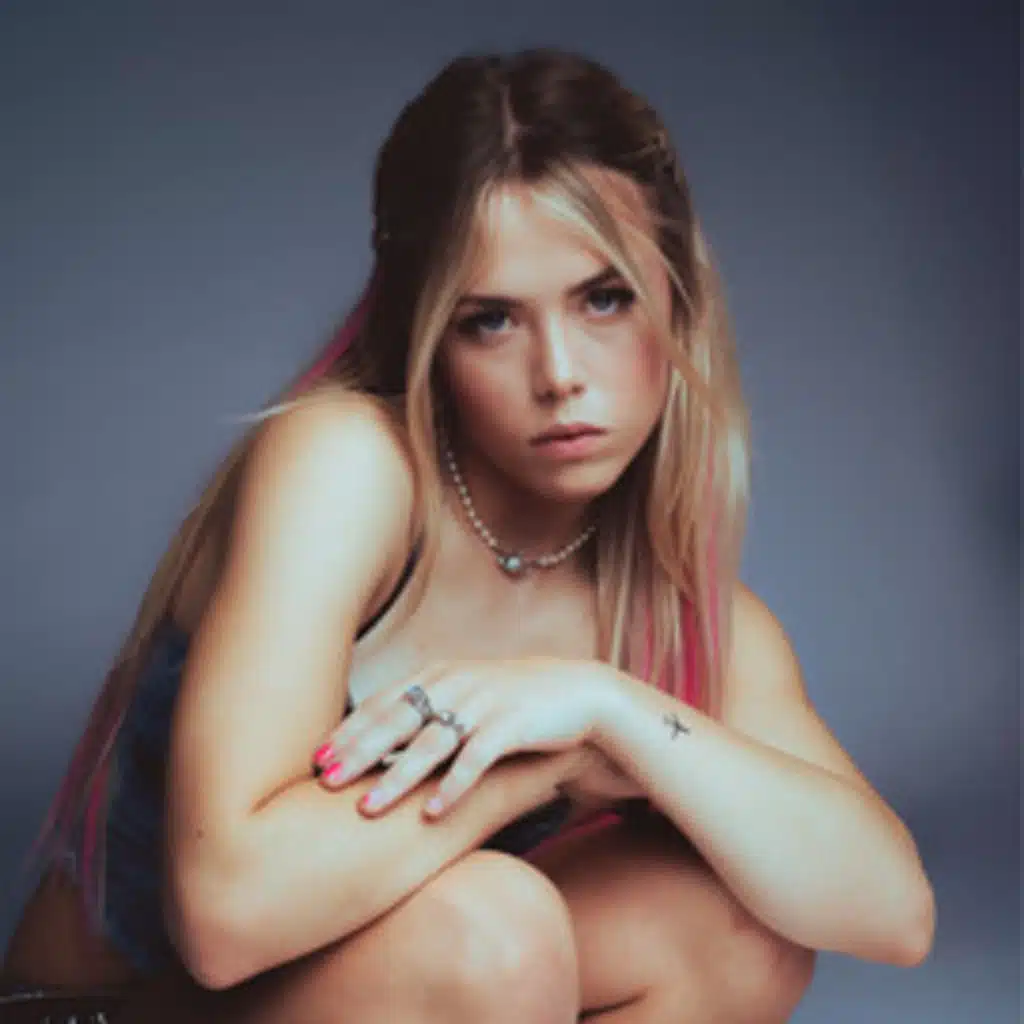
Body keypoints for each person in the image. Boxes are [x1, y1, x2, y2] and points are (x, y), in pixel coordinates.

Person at [1, 47, 935, 1024]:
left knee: (739, 930)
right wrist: (545, 758)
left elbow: (892, 913)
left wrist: (603, 703)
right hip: (98, 1010)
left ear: (678, 299)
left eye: (604, 298)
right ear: (427, 335)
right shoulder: (350, 468)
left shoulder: (677, 611)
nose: (559, 372)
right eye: (491, 320)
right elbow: (225, 916)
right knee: (493, 931)